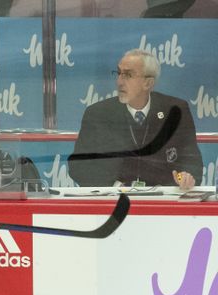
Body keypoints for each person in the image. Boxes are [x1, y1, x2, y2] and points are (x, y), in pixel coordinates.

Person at [68, 48, 203, 189]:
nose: (119, 81)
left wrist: (186, 177)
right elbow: (78, 166)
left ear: (148, 83)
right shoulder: (98, 114)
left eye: (128, 75)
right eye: (119, 73)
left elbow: (191, 160)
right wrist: (115, 186)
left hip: (163, 199)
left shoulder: (175, 110)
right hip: (114, 198)